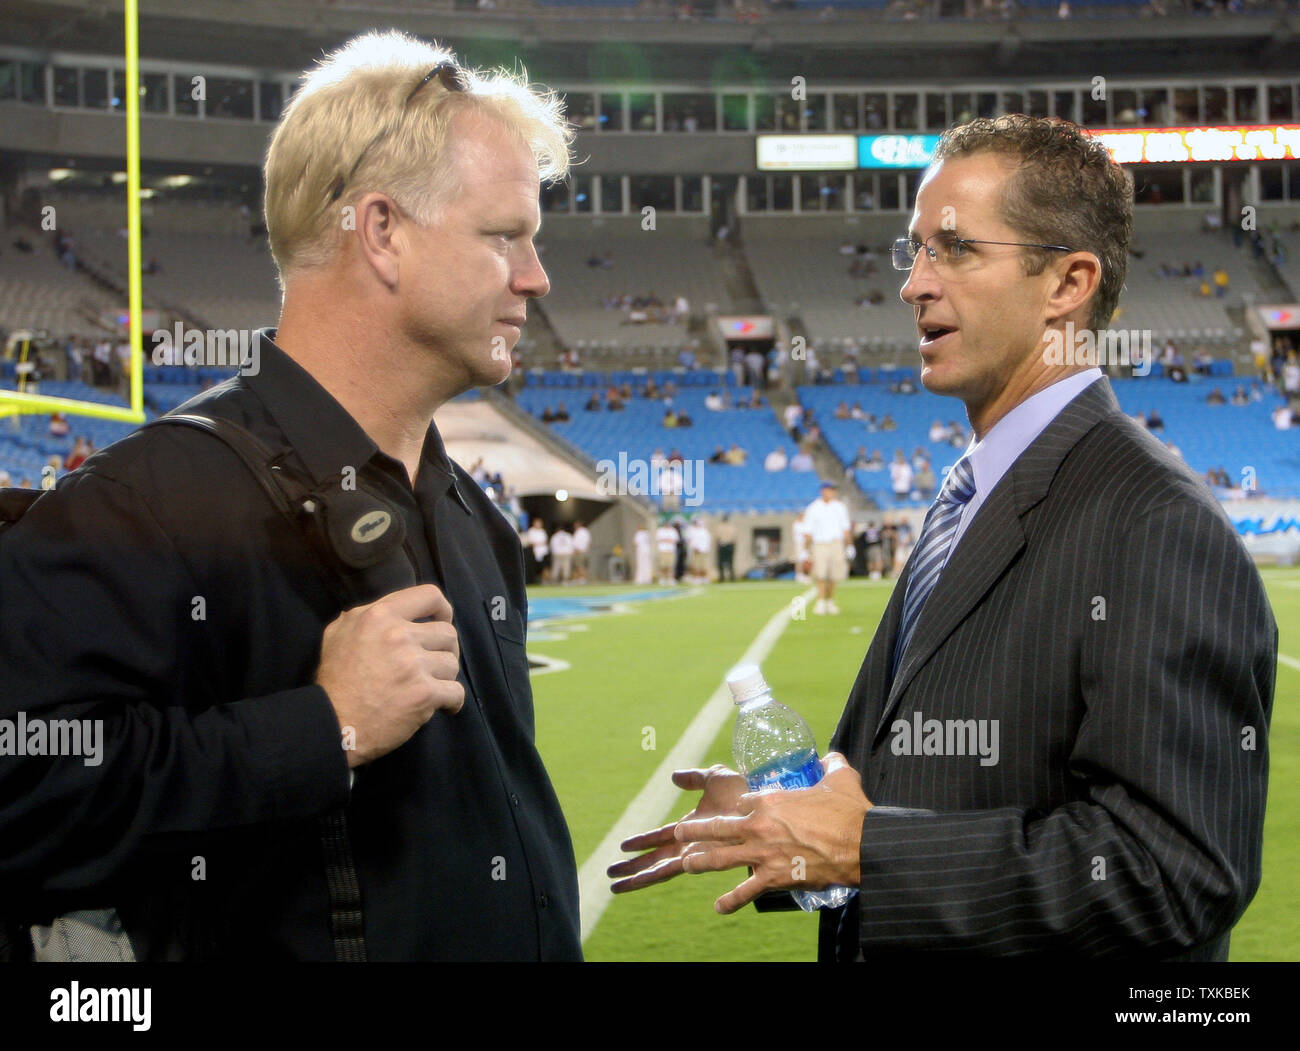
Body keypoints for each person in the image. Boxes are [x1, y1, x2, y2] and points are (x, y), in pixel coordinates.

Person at [609, 114, 1275, 962]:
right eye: (915, 250)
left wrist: (869, 851)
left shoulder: (1155, 522)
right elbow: (948, 775)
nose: (914, 285)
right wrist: (791, 815)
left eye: (955, 249)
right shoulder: (977, 489)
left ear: (1067, 283)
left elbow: (1175, 871)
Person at [0, 31, 582, 961]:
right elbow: (20, 794)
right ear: (382, 231)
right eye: (503, 236)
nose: (535, 278)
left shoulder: (476, 519)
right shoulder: (148, 503)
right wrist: (320, 728)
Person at [802, 480, 852, 615]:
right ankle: (820, 601)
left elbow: (846, 529)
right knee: (821, 574)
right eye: (829, 489)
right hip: (820, 544)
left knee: (834, 575)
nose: (831, 492)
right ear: (823, 491)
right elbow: (808, 532)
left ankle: (829, 601)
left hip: (836, 543)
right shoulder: (813, 508)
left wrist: (849, 546)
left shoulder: (840, 507)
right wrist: (805, 550)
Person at [715, 513, 737, 582]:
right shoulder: (732, 527)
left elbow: (717, 537)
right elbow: (734, 538)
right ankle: (731, 577)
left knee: (721, 562)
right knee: (730, 562)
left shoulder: (719, 527)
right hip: (729, 545)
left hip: (722, 545)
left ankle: (722, 578)